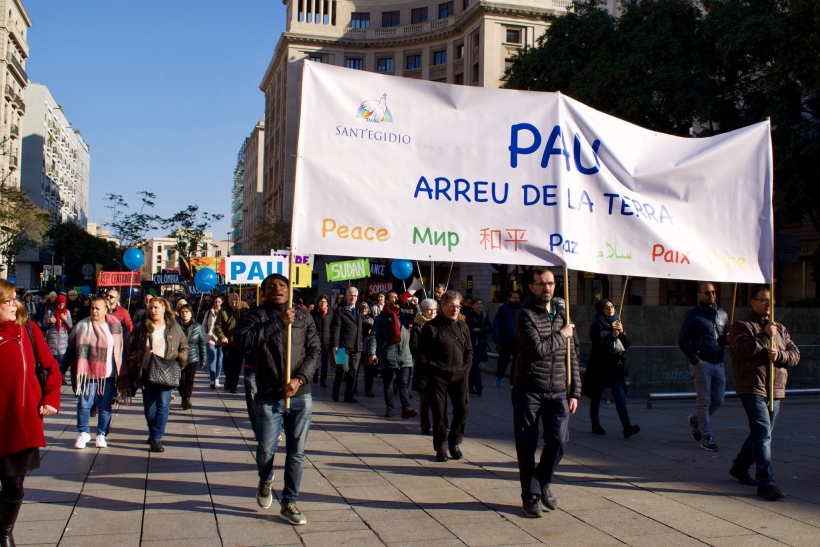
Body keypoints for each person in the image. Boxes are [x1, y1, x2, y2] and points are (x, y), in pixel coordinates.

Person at [234, 273, 320, 526]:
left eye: (282, 285)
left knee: (296, 452)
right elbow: (243, 342)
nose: (278, 289)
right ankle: (266, 477)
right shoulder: (255, 316)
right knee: (265, 450)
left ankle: (289, 502)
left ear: (290, 290)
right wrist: (278, 323)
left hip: (300, 396)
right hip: (269, 395)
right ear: (264, 292)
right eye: (272, 286)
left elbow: (315, 350)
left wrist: (300, 379)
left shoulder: (303, 316)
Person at [513, 267, 580, 517]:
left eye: (550, 283)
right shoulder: (524, 314)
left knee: (559, 441)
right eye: (541, 284)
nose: (546, 288)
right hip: (529, 389)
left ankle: (542, 481)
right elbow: (536, 350)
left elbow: (572, 355)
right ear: (531, 287)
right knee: (526, 445)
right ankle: (530, 496)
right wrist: (563, 333)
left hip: (558, 390)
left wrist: (575, 392)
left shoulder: (564, 312)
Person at [0, 279, 60, 547]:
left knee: (14, 483)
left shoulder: (28, 329)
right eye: (9, 300)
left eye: (16, 299)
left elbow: (50, 366)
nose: (16, 304)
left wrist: (50, 397)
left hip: (20, 420)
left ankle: (4, 531)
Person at [728, 287, 800, 501]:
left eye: (771, 301)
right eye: (764, 300)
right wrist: (763, 335)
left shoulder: (780, 328)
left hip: (775, 387)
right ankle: (766, 482)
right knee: (762, 433)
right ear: (753, 303)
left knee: (762, 432)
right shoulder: (741, 326)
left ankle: (740, 466)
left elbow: (795, 354)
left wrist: (781, 356)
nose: (768, 304)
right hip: (753, 386)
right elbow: (743, 350)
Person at [127, 297, 188, 452]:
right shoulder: (142, 327)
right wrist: (134, 363)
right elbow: (131, 346)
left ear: (164, 309)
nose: (153, 310)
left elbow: (184, 346)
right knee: (150, 408)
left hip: (167, 370)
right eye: (151, 308)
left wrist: (179, 360)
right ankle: (153, 430)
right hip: (147, 371)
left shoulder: (174, 327)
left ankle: (156, 438)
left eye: (156, 308)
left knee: (163, 405)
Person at [66, 296, 126, 449]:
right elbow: (71, 350)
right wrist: (61, 368)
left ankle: (101, 434)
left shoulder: (116, 326)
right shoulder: (81, 326)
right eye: (92, 307)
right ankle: (83, 432)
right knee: (84, 404)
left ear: (106, 309)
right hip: (87, 373)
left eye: (98, 308)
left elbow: (122, 349)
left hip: (108, 375)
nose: (94, 311)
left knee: (105, 407)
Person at [417, 290, 471, 461]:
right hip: (438, 377)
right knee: (439, 414)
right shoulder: (431, 327)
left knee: (462, 409)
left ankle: (455, 441)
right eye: (451, 306)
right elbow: (421, 354)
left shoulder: (463, 326)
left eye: (458, 306)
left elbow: (469, 350)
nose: (455, 309)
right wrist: (433, 369)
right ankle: (441, 447)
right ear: (442, 306)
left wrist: (465, 369)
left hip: (460, 376)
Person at [678, 282, 728, 451]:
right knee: (704, 400)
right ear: (699, 294)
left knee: (719, 399)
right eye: (707, 292)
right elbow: (682, 340)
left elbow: (724, 338)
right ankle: (707, 436)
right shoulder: (692, 315)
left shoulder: (722, 314)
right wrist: (695, 359)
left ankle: (696, 420)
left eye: (713, 292)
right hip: (702, 363)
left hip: (718, 361)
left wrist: (727, 339)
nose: (711, 295)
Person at [583, 299, 638, 438]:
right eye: (607, 308)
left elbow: (626, 344)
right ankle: (595, 423)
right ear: (601, 310)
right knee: (597, 395)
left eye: (612, 306)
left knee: (619, 395)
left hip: (614, 366)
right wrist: (612, 334)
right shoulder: (597, 325)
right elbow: (599, 346)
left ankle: (626, 426)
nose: (610, 309)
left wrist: (621, 333)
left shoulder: (617, 323)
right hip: (600, 366)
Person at [369, 290, 419, 420]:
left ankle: (406, 408)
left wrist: (415, 305)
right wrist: (372, 353)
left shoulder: (404, 315)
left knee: (403, 383)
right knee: (388, 383)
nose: (397, 299)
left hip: (404, 355)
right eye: (393, 297)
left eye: (397, 297)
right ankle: (390, 407)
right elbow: (374, 336)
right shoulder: (380, 318)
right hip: (388, 354)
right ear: (386, 301)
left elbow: (418, 318)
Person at [330, 287, 364, 403]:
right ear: (346, 296)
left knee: (353, 371)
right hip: (341, 347)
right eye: (351, 295)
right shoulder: (340, 309)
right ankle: (335, 390)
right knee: (342, 368)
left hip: (357, 347)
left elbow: (360, 326)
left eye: (355, 296)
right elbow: (336, 329)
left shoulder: (359, 308)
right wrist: (335, 345)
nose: (353, 298)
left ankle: (348, 395)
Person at [410, 298, 437, 434]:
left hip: (438, 368)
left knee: (438, 400)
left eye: (434, 309)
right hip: (424, 369)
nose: (432, 312)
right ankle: (425, 425)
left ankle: (438, 424)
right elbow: (414, 347)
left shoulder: (440, 324)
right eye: (429, 310)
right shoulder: (417, 326)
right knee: (425, 400)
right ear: (423, 311)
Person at [214, 293, 248, 394]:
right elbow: (218, 326)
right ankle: (228, 381)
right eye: (231, 302)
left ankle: (234, 385)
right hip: (227, 342)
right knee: (227, 364)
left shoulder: (244, 307)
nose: (233, 304)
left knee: (237, 365)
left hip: (239, 342)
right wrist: (222, 336)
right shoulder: (222, 311)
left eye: (235, 302)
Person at [177, 304, 207, 411]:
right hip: (178, 357)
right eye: (183, 312)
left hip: (192, 357)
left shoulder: (197, 327)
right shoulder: (176, 325)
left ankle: (186, 398)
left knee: (189, 379)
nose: (185, 314)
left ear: (191, 313)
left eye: (187, 312)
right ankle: (183, 395)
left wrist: (203, 359)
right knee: (179, 380)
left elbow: (202, 344)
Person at [493, 290, 521, 387]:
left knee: (517, 361)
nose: (517, 300)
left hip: (518, 340)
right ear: (509, 298)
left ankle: (513, 382)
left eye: (518, 298)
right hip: (506, 339)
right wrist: (496, 338)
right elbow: (496, 323)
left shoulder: (521, 309)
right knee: (503, 360)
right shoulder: (503, 309)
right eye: (514, 298)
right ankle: (499, 376)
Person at [465, 298, 491, 396]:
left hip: (481, 344)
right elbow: (469, 330)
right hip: (472, 344)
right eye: (477, 304)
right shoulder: (470, 316)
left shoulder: (484, 316)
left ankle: (470, 387)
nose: (479, 306)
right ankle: (479, 386)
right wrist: (483, 330)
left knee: (474, 366)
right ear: (472, 306)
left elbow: (490, 328)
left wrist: (480, 329)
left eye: (480, 304)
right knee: (475, 366)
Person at [45, 294, 73, 384]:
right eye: (59, 304)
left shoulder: (67, 312)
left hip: (62, 340)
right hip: (52, 340)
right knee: (53, 362)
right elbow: (44, 323)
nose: (61, 306)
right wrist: (49, 321)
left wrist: (65, 319)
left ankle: (61, 377)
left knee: (62, 361)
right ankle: (53, 378)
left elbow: (70, 326)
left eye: (63, 304)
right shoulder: (50, 311)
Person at [310, 295, 333, 388]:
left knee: (324, 363)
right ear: (318, 302)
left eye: (324, 302)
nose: (323, 303)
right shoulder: (314, 313)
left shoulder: (330, 313)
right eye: (321, 301)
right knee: (316, 361)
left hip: (326, 341)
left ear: (327, 303)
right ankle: (315, 375)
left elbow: (332, 327)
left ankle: (323, 381)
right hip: (316, 340)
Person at [204, 295, 224, 388]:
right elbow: (204, 324)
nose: (217, 303)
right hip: (211, 338)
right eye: (216, 301)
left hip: (221, 339)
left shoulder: (224, 312)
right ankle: (212, 380)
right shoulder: (209, 312)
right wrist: (206, 334)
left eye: (219, 302)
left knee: (219, 360)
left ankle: (217, 378)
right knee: (212, 359)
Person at [359, 302, 378, 397]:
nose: (364, 310)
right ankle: (352, 387)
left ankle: (368, 389)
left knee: (369, 370)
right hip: (358, 345)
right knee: (353, 369)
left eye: (365, 308)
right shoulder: (357, 318)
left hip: (368, 346)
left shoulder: (371, 319)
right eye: (362, 309)